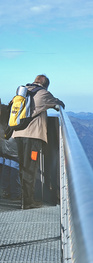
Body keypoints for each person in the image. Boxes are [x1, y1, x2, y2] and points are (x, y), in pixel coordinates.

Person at [12, 75, 63, 207]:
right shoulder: (43, 93)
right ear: (46, 84)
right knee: (31, 167)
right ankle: (28, 202)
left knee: (23, 167)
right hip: (32, 138)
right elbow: (57, 103)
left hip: (17, 134)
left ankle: (24, 199)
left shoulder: (23, 91)